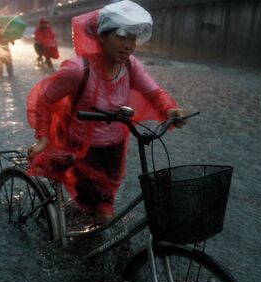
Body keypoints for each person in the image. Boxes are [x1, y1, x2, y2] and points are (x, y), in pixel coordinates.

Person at [26, 0, 187, 224]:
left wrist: (171, 111)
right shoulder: (77, 70)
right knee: (104, 213)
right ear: (101, 35)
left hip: (114, 151)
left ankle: (85, 228)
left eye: (133, 37)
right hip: (81, 150)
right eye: (121, 35)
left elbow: (154, 94)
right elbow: (45, 100)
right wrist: (43, 138)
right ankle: (83, 250)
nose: (128, 45)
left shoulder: (130, 66)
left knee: (101, 200)